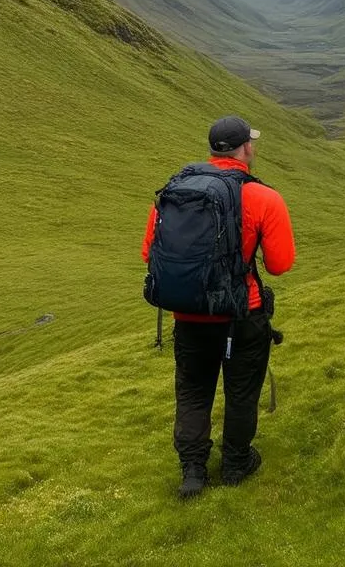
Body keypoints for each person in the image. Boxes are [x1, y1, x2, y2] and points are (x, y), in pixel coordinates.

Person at [142, 115, 296, 498]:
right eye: (252, 143)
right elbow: (280, 264)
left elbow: (150, 252)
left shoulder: (178, 190)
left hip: (189, 316)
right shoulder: (264, 197)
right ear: (245, 149)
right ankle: (235, 464)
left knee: (193, 391)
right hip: (243, 315)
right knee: (241, 391)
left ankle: (193, 472)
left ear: (213, 150)